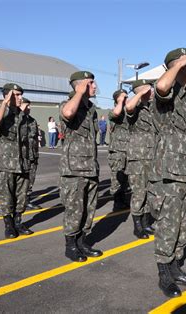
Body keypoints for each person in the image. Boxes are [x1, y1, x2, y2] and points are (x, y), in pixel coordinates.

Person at [147, 48, 186, 298]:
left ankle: (175, 268)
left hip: (185, 173)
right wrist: (180, 63)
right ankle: (164, 274)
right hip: (167, 174)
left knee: (181, 226)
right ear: (179, 66)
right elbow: (160, 87)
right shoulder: (167, 94)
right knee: (168, 227)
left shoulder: (185, 98)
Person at [59, 71, 103, 262]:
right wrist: (79, 92)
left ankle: (82, 242)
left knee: (88, 208)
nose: (95, 86)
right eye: (91, 83)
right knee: (74, 209)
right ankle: (70, 246)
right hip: (74, 168)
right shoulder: (68, 105)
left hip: (90, 166)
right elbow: (68, 113)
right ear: (81, 86)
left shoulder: (91, 109)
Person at [0, 83, 34, 239]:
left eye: (20, 94)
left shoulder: (24, 117)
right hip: (6, 163)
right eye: (16, 94)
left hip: (23, 162)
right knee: (6, 196)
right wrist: (5, 103)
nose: (20, 97)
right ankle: (8, 225)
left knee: (21, 196)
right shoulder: (0, 113)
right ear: (7, 96)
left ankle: (17, 222)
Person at [125, 79, 156, 239]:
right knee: (139, 193)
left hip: (152, 157)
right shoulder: (134, 107)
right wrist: (140, 93)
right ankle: (137, 226)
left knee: (149, 191)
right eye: (148, 90)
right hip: (137, 158)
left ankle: (145, 223)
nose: (152, 92)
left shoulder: (152, 109)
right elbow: (128, 107)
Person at [108, 89, 131, 209]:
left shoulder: (128, 112)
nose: (127, 99)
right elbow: (115, 114)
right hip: (117, 151)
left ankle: (123, 200)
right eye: (124, 97)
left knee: (125, 178)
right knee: (117, 178)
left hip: (127, 150)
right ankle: (117, 202)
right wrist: (120, 102)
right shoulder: (114, 111)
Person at [22, 98, 41, 210]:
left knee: (31, 179)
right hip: (21, 156)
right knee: (21, 181)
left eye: (29, 106)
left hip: (32, 155)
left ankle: (27, 200)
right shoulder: (16, 120)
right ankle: (19, 201)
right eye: (27, 105)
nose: (29, 108)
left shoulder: (32, 121)